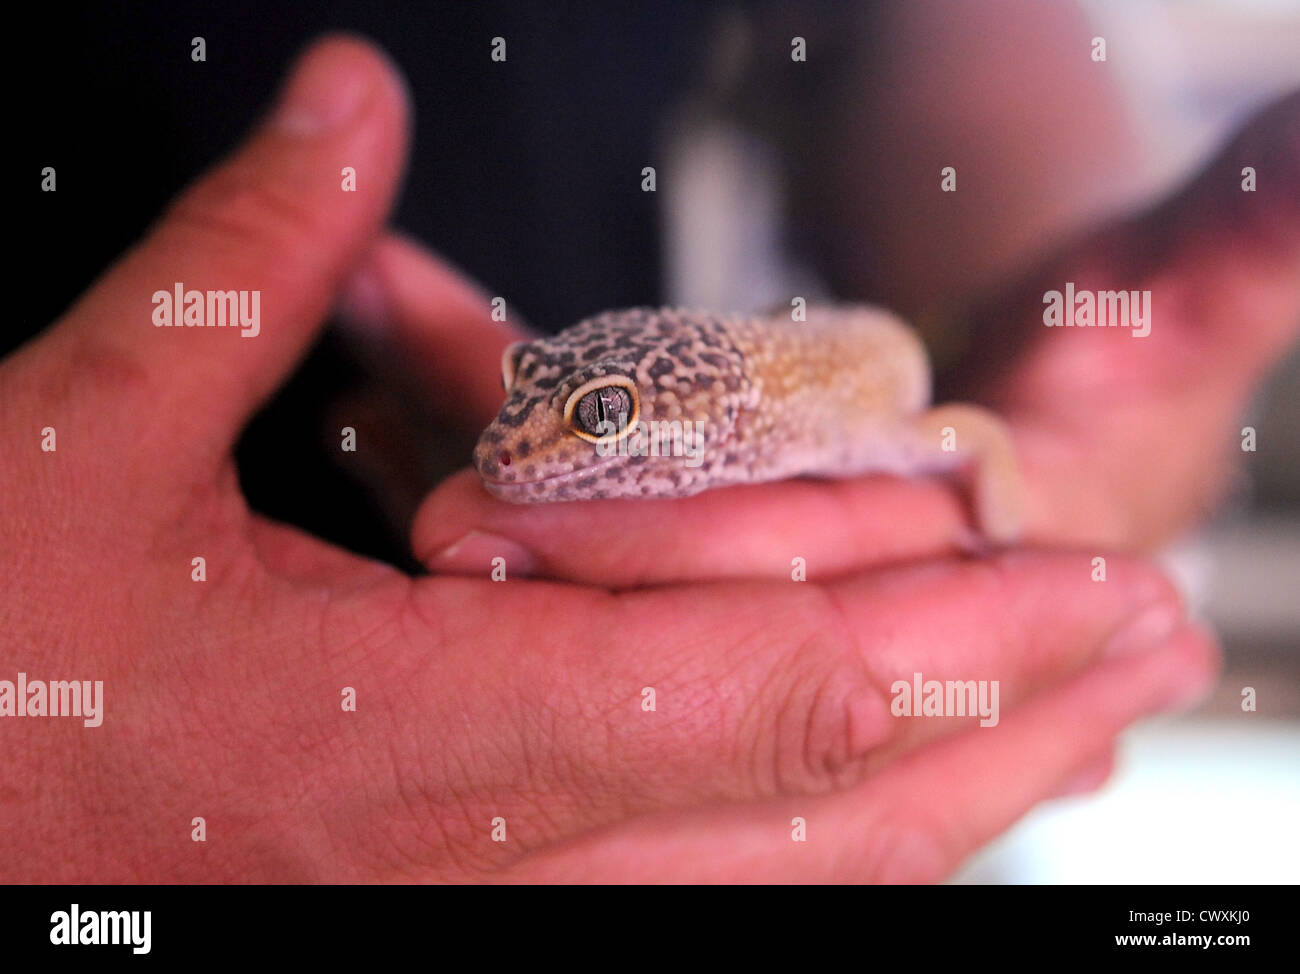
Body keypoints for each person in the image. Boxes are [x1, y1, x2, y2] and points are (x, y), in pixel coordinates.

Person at [2, 36, 1294, 882]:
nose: (536, 449)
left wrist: (1061, 423)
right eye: (551, 406)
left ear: (718, 427)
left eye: (600, 422)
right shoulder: (687, 419)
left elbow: (919, 35)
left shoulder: (846, 424)